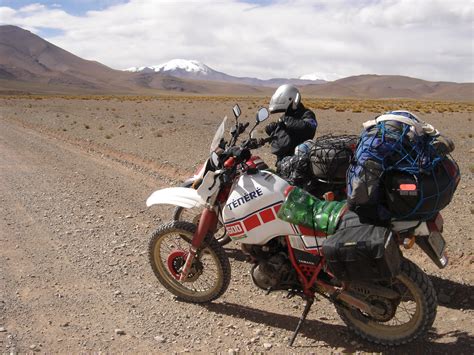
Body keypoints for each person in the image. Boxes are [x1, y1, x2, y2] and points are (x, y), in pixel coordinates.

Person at [264, 85, 317, 166]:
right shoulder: (287, 116)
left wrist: (286, 120)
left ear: (293, 100)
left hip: (299, 160)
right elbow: (283, 136)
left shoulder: (306, 114)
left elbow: (308, 127)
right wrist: (273, 129)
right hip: (283, 161)